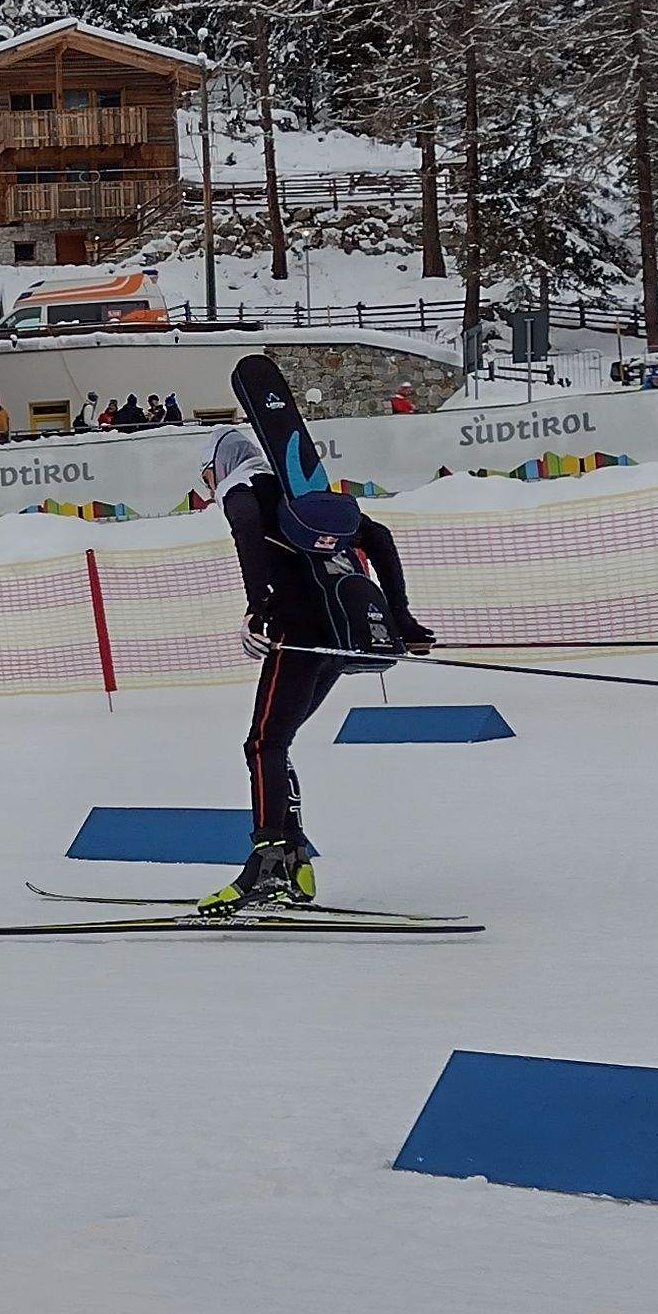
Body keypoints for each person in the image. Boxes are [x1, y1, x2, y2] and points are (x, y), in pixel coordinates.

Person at [199, 354, 435, 914]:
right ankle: (294, 860)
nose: (208, 485)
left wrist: (260, 605)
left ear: (218, 464)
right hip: (338, 637)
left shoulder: (245, 490)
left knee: (263, 745)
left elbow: (246, 534)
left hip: (297, 640)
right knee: (276, 746)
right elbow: (377, 537)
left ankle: (267, 864)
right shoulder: (302, 495)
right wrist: (399, 617)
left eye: (206, 474)